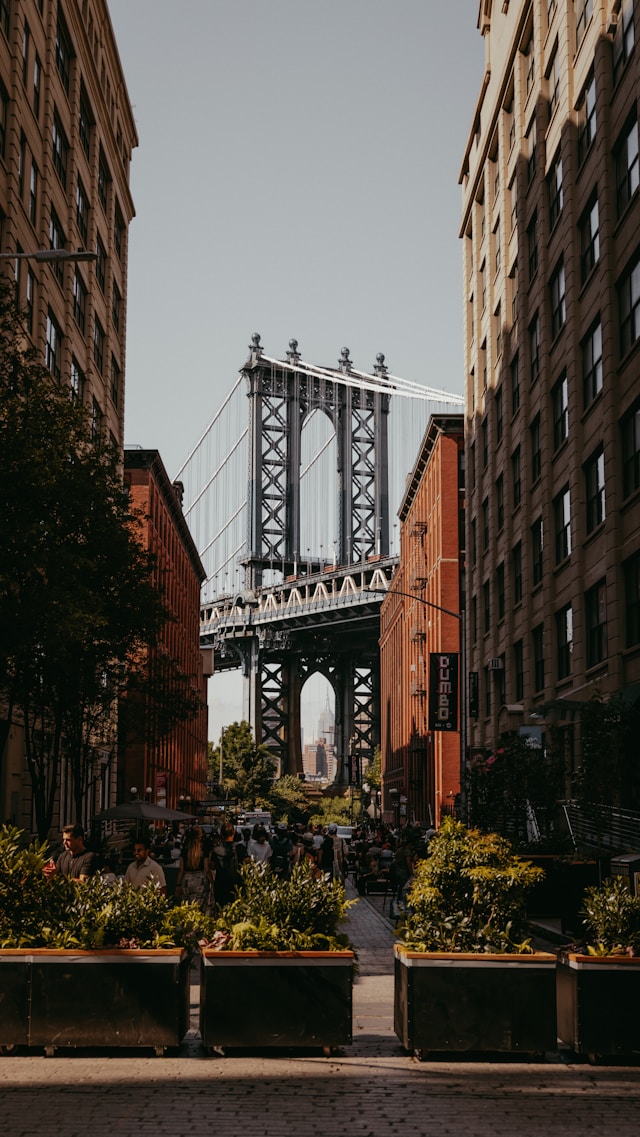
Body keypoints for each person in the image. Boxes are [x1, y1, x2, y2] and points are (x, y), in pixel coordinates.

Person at [176, 826, 212, 912]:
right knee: (200, 908)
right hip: (201, 880)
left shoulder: (184, 850)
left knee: (187, 908)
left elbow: (181, 869)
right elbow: (207, 869)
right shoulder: (203, 850)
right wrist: (212, 882)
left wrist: (178, 885)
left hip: (186, 880)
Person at [210, 820, 242, 909]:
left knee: (220, 909)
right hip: (236, 882)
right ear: (233, 832)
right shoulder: (240, 848)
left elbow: (212, 865)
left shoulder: (215, 850)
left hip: (220, 883)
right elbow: (247, 862)